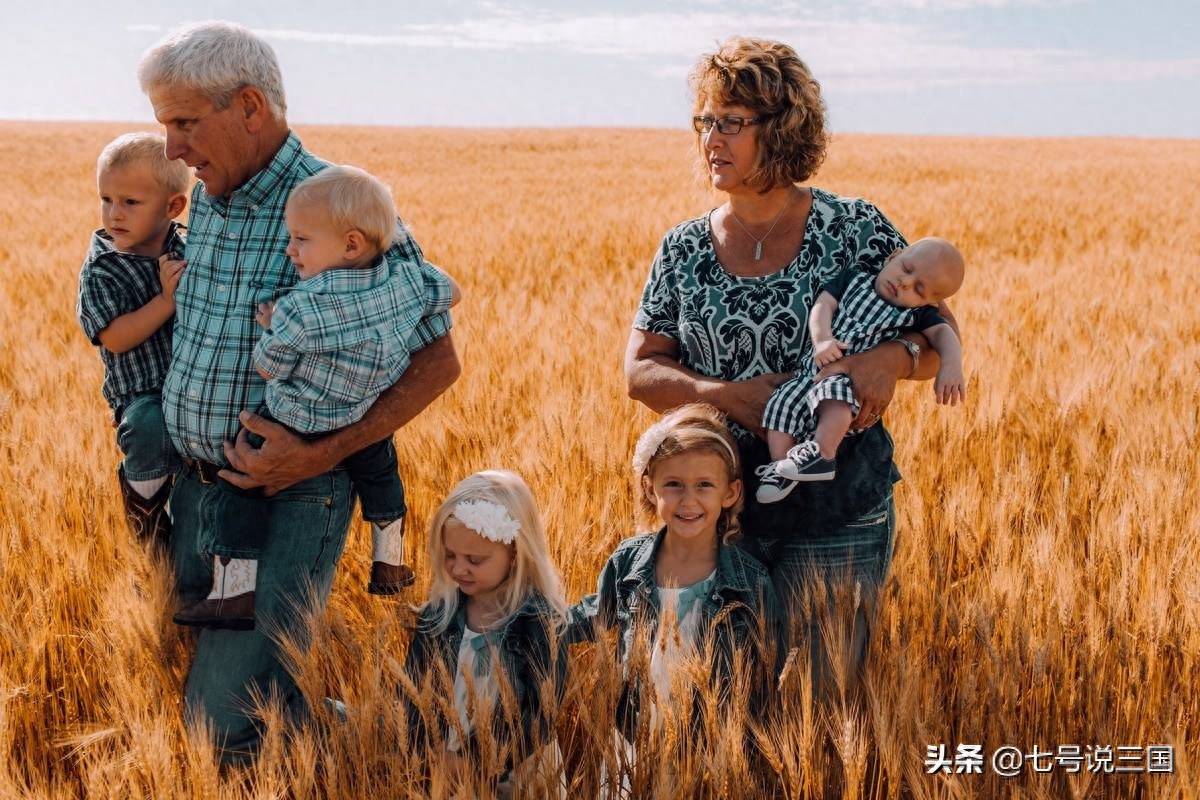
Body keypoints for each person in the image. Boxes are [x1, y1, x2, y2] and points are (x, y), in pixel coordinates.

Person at [137, 21, 460, 762]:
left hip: (290, 500)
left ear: (249, 106)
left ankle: (364, 748)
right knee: (255, 694)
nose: (173, 149)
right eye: (164, 126)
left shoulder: (337, 206)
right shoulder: (209, 197)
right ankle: (366, 751)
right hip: (199, 494)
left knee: (217, 723)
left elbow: (439, 359)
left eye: (184, 123)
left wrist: (323, 454)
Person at [624, 37, 960, 699]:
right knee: (716, 703)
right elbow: (640, 370)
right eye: (705, 122)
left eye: (731, 122)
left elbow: (940, 330)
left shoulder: (855, 228)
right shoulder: (684, 248)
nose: (710, 139)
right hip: (716, 512)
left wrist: (889, 359)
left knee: (822, 701)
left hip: (837, 510)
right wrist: (725, 396)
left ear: (781, 131)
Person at [172, 165, 463, 630]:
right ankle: (388, 559)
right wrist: (402, 299)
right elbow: (451, 292)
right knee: (382, 474)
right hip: (357, 415)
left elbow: (271, 367)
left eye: (301, 240)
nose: (290, 251)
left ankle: (233, 592)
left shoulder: (301, 307)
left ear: (350, 243)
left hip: (294, 420)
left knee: (238, 488)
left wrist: (269, 328)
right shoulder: (405, 282)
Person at [571, 403, 781, 756]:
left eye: (704, 485)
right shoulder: (628, 562)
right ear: (651, 488)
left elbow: (764, 671)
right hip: (634, 737)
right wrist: (527, 622)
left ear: (730, 493)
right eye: (673, 485)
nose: (688, 500)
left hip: (711, 746)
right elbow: (597, 613)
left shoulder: (750, 582)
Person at [756, 237, 965, 502]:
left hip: (850, 382)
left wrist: (951, 365)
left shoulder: (915, 315)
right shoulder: (853, 280)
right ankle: (784, 469)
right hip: (813, 370)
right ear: (894, 256)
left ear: (930, 303)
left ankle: (822, 454)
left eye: (919, 289)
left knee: (835, 394)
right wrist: (822, 339)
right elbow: (823, 306)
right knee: (781, 402)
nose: (904, 283)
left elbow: (945, 335)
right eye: (906, 269)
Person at [401, 471, 567, 798]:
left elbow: (542, 708)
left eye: (474, 560)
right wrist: (426, 755)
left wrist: (479, 761)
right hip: (442, 763)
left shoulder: (540, 621)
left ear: (515, 554)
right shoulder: (439, 614)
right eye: (450, 555)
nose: (459, 569)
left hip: (519, 770)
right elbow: (411, 688)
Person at [77, 132, 189, 545]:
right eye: (106, 199)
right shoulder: (103, 268)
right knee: (148, 426)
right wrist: (165, 301)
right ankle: (145, 518)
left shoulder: (186, 248)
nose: (113, 213)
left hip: (189, 381)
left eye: (130, 202)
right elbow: (114, 338)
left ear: (173, 206)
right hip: (140, 393)